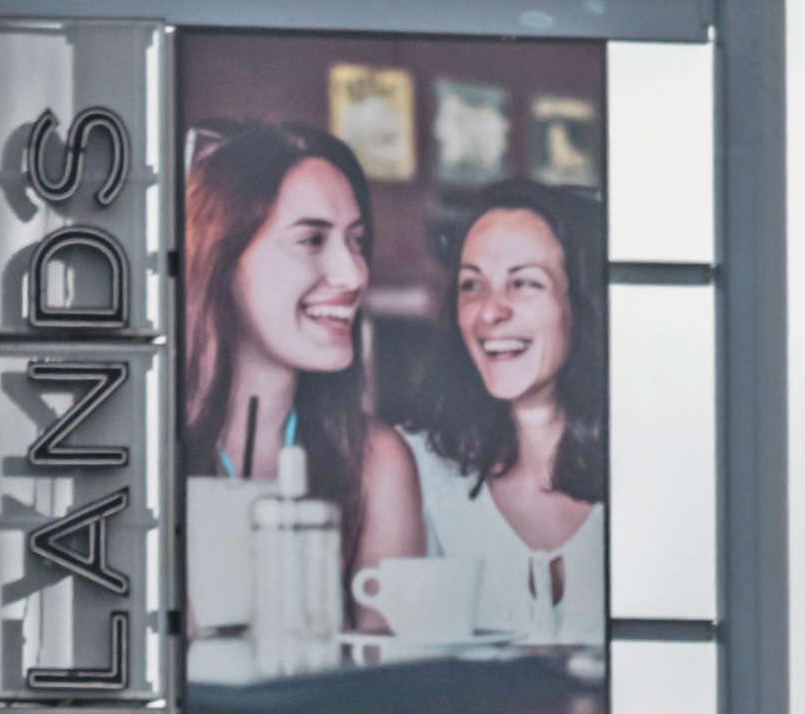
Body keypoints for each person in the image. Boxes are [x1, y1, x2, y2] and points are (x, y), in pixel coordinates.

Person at [178, 118, 424, 612]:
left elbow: (389, 672)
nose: (353, 274)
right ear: (219, 260)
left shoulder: (375, 463)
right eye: (312, 240)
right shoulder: (141, 451)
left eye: (356, 242)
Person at [403, 181, 608, 645]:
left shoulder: (653, 470)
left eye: (524, 283)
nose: (489, 312)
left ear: (584, 304)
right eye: (472, 286)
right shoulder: (418, 472)